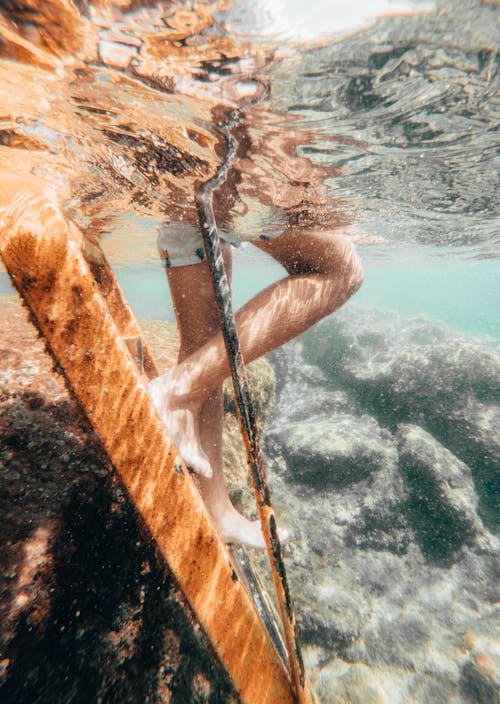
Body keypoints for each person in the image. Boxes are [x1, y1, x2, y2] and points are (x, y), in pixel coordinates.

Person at [148, 216, 364, 550]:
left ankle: (217, 510)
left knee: (204, 350)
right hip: (218, 183)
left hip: (182, 191)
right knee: (339, 270)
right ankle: (176, 394)